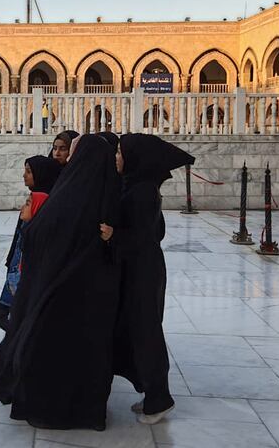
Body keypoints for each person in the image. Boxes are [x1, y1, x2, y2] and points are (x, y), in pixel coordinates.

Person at [0, 134, 121, 431]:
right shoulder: (109, 193)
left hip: (60, 291)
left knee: (52, 351)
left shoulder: (69, 194)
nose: (67, 159)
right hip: (94, 294)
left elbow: (38, 238)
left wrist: (30, 222)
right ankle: (87, 412)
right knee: (86, 355)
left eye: (71, 153)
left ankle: (51, 409)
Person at [101, 133, 194, 425]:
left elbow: (145, 238)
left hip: (143, 271)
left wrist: (115, 235)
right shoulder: (138, 186)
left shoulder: (141, 192)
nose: (116, 158)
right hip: (140, 269)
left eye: (119, 153)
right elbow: (157, 231)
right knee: (137, 332)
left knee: (147, 335)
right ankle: (151, 392)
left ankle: (160, 400)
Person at [0, 156, 62, 331]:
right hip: (17, 271)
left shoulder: (43, 205)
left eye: (29, 172)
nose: (24, 176)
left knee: (7, 316)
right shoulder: (34, 201)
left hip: (24, 276)